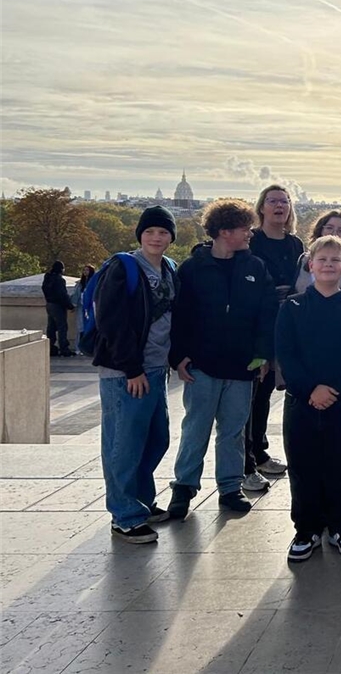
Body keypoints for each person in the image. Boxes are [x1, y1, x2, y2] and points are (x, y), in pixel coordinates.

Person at [166, 199, 278, 519]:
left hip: (242, 366)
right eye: (244, 228)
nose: (250, 234)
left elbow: (266, 315)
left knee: (233, 431)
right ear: (224, 231)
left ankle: (230, 487)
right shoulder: (192, 269)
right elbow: (181, 317)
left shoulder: (255, 267)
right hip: (203, 364)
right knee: (196, 429)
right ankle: (184, 487)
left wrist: (262, 356)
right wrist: (179, 357)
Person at [277, 235, 341, 562]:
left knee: (340, 465)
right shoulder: (291, 307)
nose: (329, 265)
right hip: (303, 402)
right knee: (303, 466)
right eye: (323, 260)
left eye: (336, 260)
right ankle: (305, 529)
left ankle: (340, 525)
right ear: (311, 265)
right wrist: (311, 390)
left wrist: (336, 389)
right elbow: (286, 355)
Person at [93, 206, 179, 543]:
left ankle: (141, 501)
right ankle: (124, 514)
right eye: (150, 232)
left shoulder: (169, 268)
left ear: (171, 237)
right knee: (124, 444)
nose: (156, 238)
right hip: (125, 371)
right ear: (140, 235)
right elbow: (112, 322)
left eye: (162, 232)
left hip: (157, 368)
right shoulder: (123, 267)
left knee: (155, 439)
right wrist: (132, 368)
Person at [244, 185, 304, 493]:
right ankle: (246, 461)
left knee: (267, 391)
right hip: (261, 321)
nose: (279, 205)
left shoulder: (295, 244)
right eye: (272, 200)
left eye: (284, 201)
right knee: (255, 389)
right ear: (262, 207)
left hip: (288, 321)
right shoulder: (251, 242)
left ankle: (260, 450)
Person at [42, 260, 75, 357]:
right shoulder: (59, 280)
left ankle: (50, 347)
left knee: (51, 327)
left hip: (49, 304)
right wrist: (70, 306)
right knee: (62, 327)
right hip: (58, 306)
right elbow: (63, 295)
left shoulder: (47, 278)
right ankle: (64, 348)